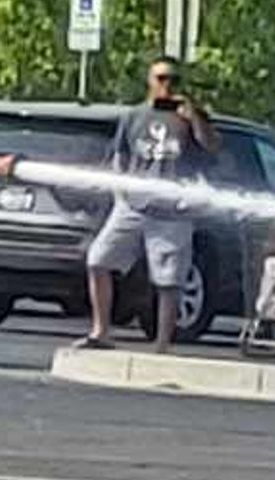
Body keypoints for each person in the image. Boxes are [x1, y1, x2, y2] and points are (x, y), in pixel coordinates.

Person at [86, 57, 216, 350]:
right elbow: (120, 155)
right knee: (98, 260)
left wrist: (193, 116)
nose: (167, 85)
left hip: (172, 210)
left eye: (173, 80)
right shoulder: (134, 116)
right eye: (161, 78)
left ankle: (162, 342)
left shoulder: (192, 116)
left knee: (169, 280)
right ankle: (101, 331)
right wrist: (120, 190)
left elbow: (212, 147)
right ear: (150, 80)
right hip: (133, 205)